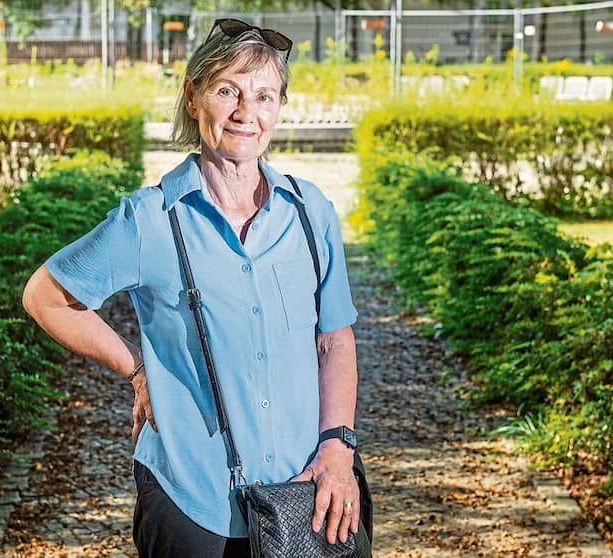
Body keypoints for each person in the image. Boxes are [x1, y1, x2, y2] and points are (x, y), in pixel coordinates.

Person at [22, 18, 362, 557]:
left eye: (264, 96)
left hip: (304, 490)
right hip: (192, 502)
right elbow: (46, 295)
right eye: (227, 90)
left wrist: (337, 448)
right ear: (192, 96)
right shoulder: (150, 220)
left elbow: (335, 342)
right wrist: (136, 370)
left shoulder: (310, 212)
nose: (247, 113)